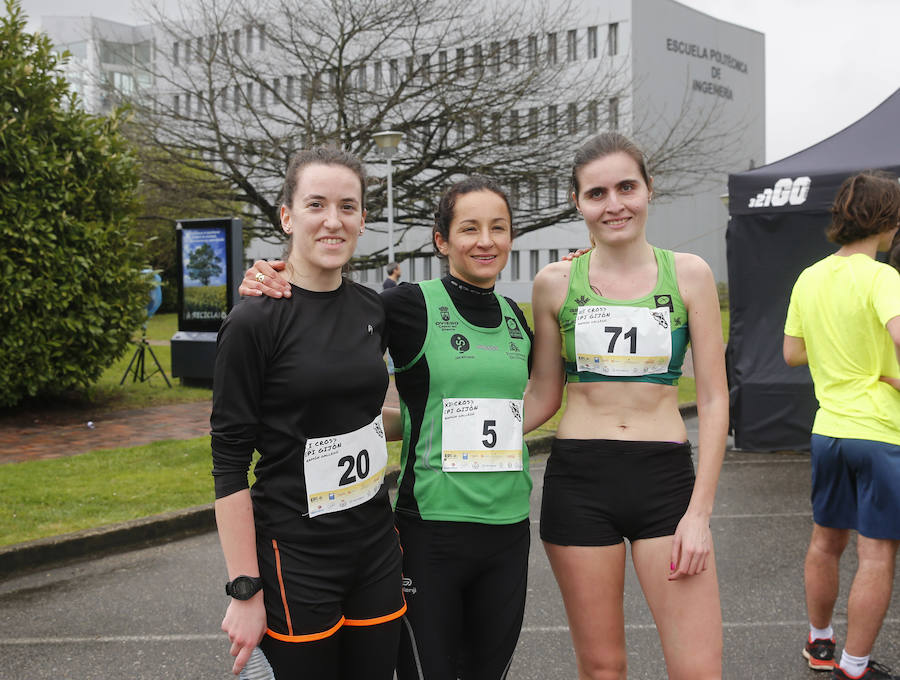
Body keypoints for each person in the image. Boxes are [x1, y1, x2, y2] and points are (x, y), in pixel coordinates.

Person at [240, 175, 539, 680]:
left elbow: (489, 412)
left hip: (508, 530)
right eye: (469, 228)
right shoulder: (405, 305)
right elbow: (329, 316)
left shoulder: (516, 316)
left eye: (498, 228)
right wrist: (272, 275)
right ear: (441, 240)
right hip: (431, 529)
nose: (485, 241)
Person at [524, 132, 729, 680]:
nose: (614, 204)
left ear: (648, 190)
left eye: (626, 187)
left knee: (697, 669)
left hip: (664, 480)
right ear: (578, 202)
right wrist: (460, 437)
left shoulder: (689, 274)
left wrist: (700, 513)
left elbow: (712, 397)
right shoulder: (554, 283)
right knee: (602, 669)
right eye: (597, 193)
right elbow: (544, 394)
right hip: (579, 481)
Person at [211, 147, 405, 679]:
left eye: (348, 206)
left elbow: (357, 415)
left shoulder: (372, 309)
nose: (333, 220)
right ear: (287, 216)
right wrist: (244, 589)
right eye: (316, 204)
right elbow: (228, 461)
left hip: (373, 547)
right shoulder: (254, 320)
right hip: (296, 555)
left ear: (363, 219)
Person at [783, 171, 900, 680]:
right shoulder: (883, 278)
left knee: (825, 542)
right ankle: (854, 665)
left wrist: (838, 359)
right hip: (878, 433)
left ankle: (821, 642)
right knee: (875, 555)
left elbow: (791, 353)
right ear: (889, 222)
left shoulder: (809, 277)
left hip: (828, 431)